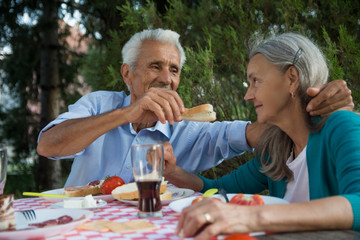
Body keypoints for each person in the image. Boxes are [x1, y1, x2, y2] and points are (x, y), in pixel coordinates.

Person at [37, 28, 354, 187]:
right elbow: (48, 145)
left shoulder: (191, 127)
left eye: (173, 70)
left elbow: (267, 133)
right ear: (126, 74)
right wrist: (127, 114)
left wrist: (320, 107)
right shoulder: (100, 104)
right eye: (155, 67)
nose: (166, 79)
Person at [161, 33, 360, 239]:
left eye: (256, 81)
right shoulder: (278, 148)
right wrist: (173, 172)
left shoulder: (342, 126)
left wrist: (253, 216)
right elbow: (216, 190)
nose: (248, 95)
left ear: (292, 78)